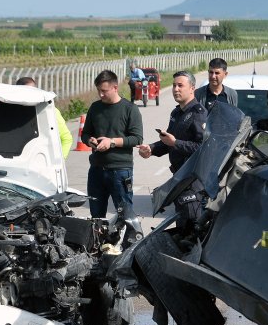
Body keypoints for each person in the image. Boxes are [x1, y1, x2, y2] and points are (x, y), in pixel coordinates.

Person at [137, 70, 208, 224]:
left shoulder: (198, 113)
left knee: (191, 227)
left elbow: (202, 148)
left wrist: (176, 143)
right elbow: (168, 142)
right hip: (179, 179)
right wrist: (151, 149)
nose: (175, 89)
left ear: (192, 88)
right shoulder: (176, 112)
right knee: (181, 227)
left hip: (193, 181)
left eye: (180, 85)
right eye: (174, 85)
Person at [78, 70, 143, 219]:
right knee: (96, 216)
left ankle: (130, 242)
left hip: (120, 171)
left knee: (126, 214)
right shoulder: (95, 108)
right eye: (99, 91)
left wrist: (111, 142)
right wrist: (90, 141)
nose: (101, 94)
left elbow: (137, 138)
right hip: (96, 170)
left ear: (115, 88)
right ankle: (100, 242)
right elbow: (85, 133)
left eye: (104, 91)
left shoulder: (130, 109)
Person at [14, 76, 73, 156]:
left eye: (33, 91)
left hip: (42, 161)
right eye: (26, 92)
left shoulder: (50, 111)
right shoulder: (11, 112)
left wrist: (59, 160)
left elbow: (67, 139)